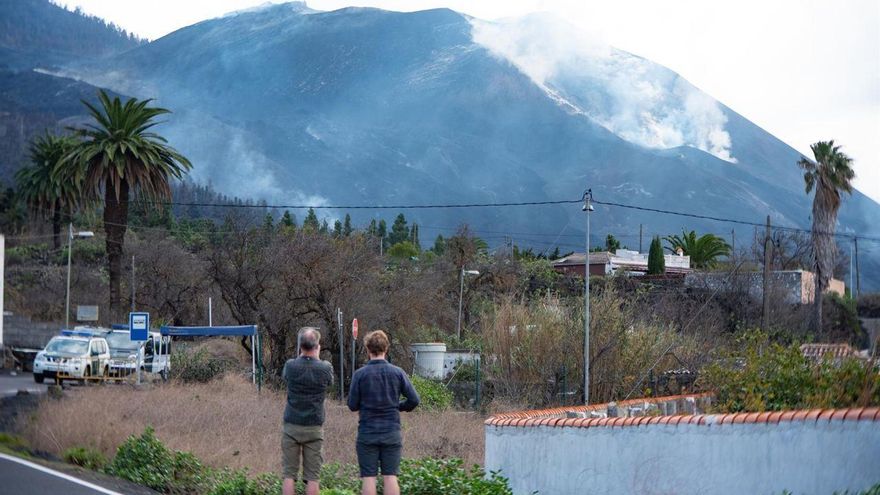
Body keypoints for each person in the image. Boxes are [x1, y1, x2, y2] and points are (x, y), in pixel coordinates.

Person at [347, 330, 420, 495]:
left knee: (369, 478)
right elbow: (414, 400)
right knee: (390, 476)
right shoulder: (398, 372)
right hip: (391, 432)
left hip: (367, 433)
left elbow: (352, 405)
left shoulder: (360, 375)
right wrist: (398, 406)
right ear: (386, 348)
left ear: (368, 349)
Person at [281, 327, 334, 495]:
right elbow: (330, 383)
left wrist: (302, 357)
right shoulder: (325, 368)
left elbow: (285, 377)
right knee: (313, 477)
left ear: (300, 346)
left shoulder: (290, 365)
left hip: (291, 425)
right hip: (314, 427)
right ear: (317, 346)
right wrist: (316, 359)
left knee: (289, 475)